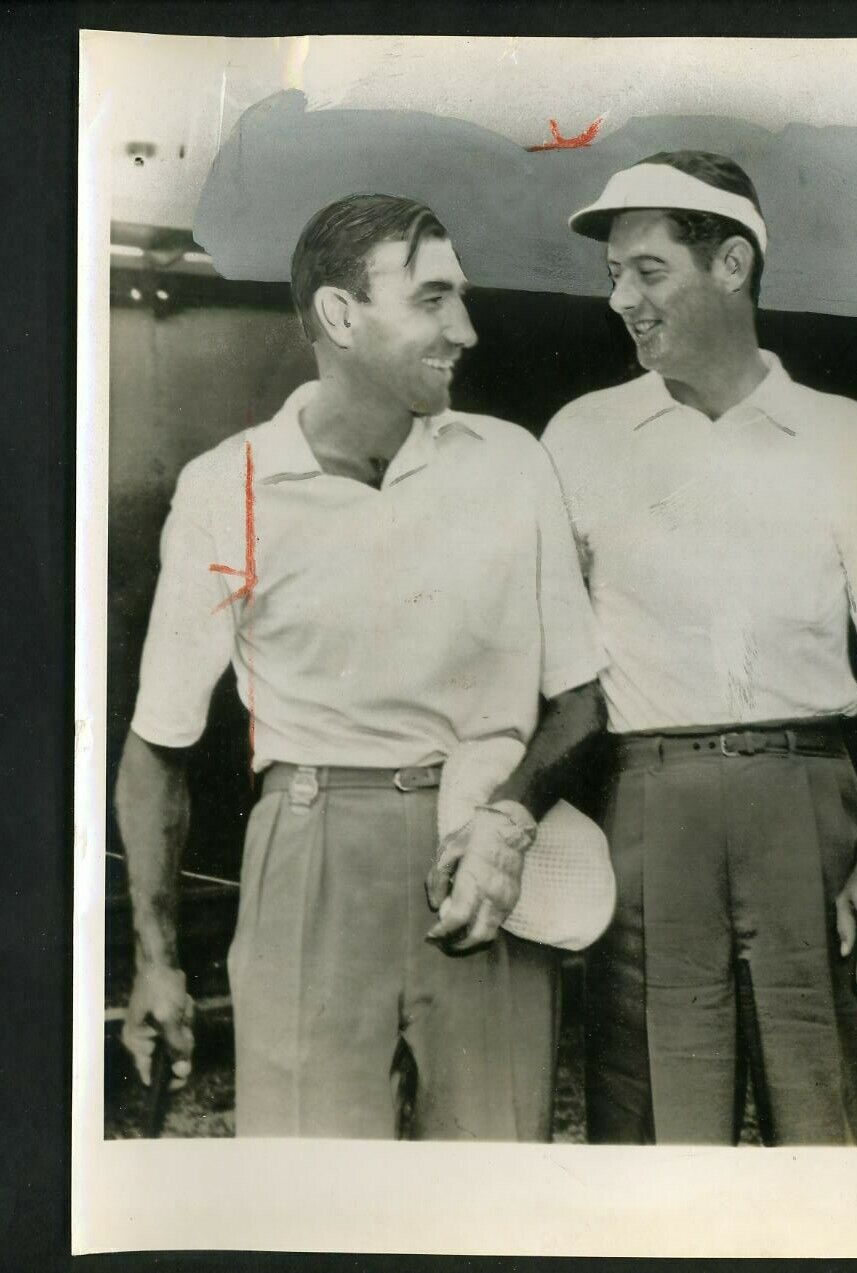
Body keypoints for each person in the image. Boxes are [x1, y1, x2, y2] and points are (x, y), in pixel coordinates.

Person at [115, 193, 608, 1139]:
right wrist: (155, 958)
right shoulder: (230, 486)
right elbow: (156, 748)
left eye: (459, 298)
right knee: (310, 1203)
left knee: (494, 1200)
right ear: (340, 316)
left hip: (488, 855)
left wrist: (507, 823)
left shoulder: (511, 463)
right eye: (431, 299)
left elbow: (580, 702)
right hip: (310, 853)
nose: (463, 328)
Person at [542, 151, 857, 1145]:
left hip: (809, 809)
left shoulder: (845, 436)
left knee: (833, 1128)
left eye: (648, 270)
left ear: (733, 263)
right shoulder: (578, 436)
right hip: (646, 807)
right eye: (612, 276)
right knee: (660, 1145)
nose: (621, 297)